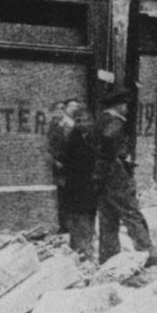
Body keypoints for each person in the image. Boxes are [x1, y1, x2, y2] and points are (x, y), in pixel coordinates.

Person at [94, 89, 156, 266]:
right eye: (126, 105)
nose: (127, 109)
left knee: (108, 219)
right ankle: (148, 253)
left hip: (102, 176)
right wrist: (121, 160)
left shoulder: (99, 120)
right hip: (115, 176)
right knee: (131, 214)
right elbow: (109, 142)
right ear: (119, 105)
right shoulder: (114, 122)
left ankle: (108, 259)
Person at [64, 107, 97, 261]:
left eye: (86, 120)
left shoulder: (92, 138)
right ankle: (81, 254)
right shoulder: (72, 140)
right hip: (77, 190)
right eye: (79, 121)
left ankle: (87, 250)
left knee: (89, 221)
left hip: (90, 190)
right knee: (79, 223)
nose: (83, 123)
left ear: (91, 122)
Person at [47, 98, 80, 232]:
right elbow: (50, 146)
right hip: (61, 167)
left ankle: (72, 225)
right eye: (72, 107)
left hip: (73, 167)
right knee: (63, 196)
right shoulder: (57, 125)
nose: (75, 109)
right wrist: (55, 161)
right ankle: (65, 226)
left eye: (77, 107)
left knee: (72, 195)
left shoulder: (74, 125)